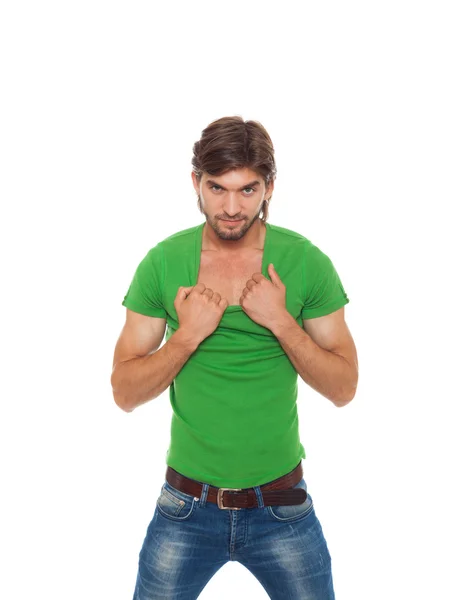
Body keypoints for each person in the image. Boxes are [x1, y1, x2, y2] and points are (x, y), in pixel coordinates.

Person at [111, 115, 359, 600]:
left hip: (283, 505)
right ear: (196, 184)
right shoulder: (163, 262)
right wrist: (185, 338)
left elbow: (344, 388)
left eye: (247, 190)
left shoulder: (306, 262)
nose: (230, 207)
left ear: (269, 188)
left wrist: (281, 321)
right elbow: (123, 392)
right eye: (217, 188)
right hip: (185, 505)